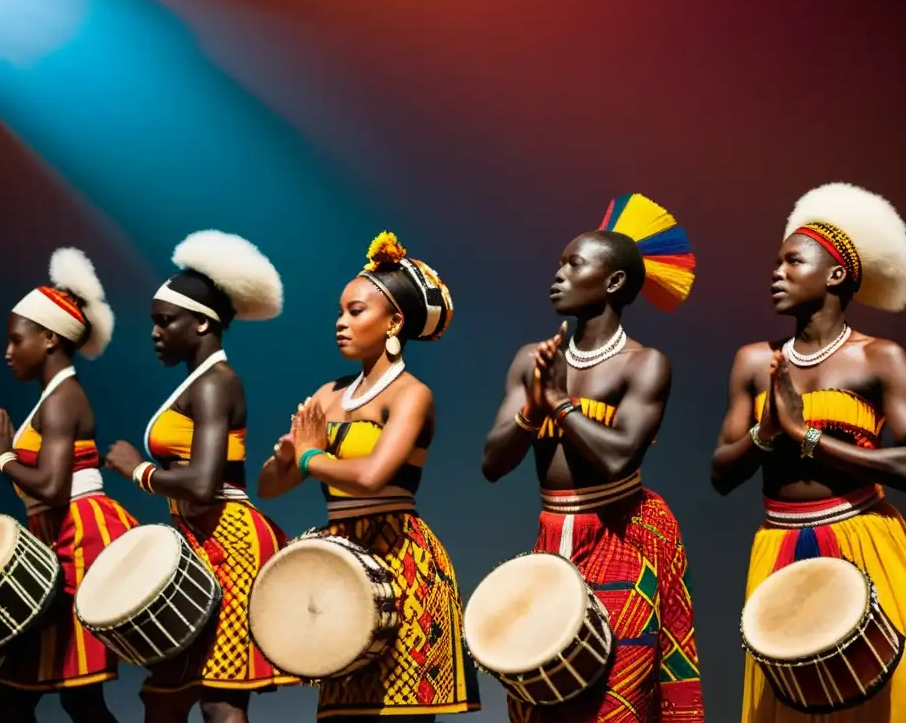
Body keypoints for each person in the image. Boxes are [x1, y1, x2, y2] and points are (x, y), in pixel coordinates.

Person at [481, 193, 704, 722]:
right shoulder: (531, 360)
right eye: (559, 263)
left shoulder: (644, 365)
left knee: (615, 703)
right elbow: (493, 463)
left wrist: (557, 400)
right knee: (544, 695)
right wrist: (533, 410)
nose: (557, 274)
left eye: (573, 264)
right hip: (552, 537)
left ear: (613, 283)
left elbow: (619, 459)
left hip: (625, 534)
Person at [258, 231, 482, 721]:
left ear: (394, 322)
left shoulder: (410, 396)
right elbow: (269, 488)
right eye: (339, 312)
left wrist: (308, 457)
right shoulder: (326, 395)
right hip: (341, 568)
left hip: (403, 566)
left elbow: (374, 475)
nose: (340, 323)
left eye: (355, 312)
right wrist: (284, 458)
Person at [710, 182, 906, 722]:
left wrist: (807, 437)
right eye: (776, 263)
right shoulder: (755, 361)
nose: (777, 273)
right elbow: (721, 474)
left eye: (793, 262)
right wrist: (767, 433)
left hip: (863, 538)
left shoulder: (879, 358)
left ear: (836, 274)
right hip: (778, 548)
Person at [104, 230, 297, 723]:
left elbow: (203, 484)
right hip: (199, 542)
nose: (155, 332)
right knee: (163, 696)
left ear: (203, 324)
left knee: (220, 698)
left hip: (230, 544)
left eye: (165, 321)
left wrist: (139, 470)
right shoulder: (201, 381)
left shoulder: (216, 383)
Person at [0, 247, 137, 723]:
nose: (7, 352)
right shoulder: (55, 397)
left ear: (49, 337)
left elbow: (50, 488)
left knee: (36, 694)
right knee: (69, 696)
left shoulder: (62, 399)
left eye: (16, 339)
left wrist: (2, 455)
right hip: (62, 536)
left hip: (78, 539)